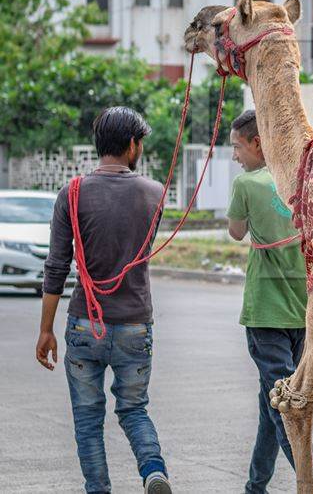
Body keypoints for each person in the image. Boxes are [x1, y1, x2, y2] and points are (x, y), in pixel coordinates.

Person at [36, 106, 172, 494]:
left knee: (87, 418)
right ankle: (153, 471)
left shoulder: (72, 193)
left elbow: (56, 267)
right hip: (135, 325)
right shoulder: (155, 193)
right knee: (134, 410)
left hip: (84, 326)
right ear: (132, 146)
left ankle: (98, 489)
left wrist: (46, 330)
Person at [227, 110, 313, 494]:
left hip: (265, 312)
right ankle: (255, 487)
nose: (235, 155)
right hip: (301, 312)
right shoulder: (301, 178)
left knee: (283, 407)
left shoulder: (246, 184)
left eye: (238, 146)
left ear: (257, 143)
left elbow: (236, 233)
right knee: (270, 404)